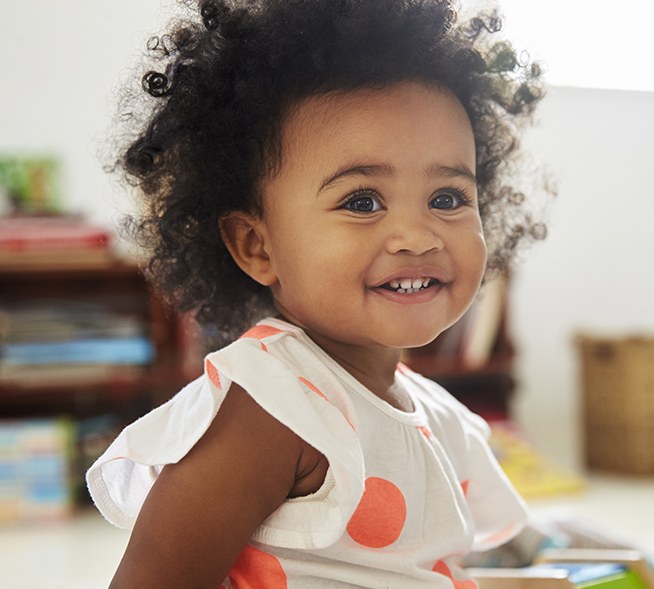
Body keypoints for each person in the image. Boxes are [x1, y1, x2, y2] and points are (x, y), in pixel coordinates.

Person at [87, 0, 548, 586]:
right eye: (362, 202)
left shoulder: (435, 415)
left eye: (448, 198)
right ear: (257, 246)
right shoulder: (274, 409)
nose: (416, 235)